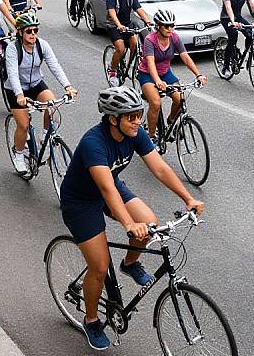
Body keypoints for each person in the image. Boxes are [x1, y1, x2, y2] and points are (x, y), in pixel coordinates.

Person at [60, 86, 204, 350]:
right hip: (80, 201)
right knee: (100, 267)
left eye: (139, 114)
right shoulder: (94, 142)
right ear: (113, 119)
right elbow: (106, 189)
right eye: (131, 116)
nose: (138, 120)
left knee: (149, 224)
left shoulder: (134, 133)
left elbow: (159, 168)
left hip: (110, 186)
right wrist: (128, 224)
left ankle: (129, 263)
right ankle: (91, 320)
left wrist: (188, 198)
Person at [4, 12, 77, 174]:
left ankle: (45, 136)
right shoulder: (12, 49)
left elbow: (55, 66)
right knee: (23, 126)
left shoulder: (42, 45)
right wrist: (19, 95)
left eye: (35, 30)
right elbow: (13, 74)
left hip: (36, 84)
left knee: (53, 109)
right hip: (16, 89)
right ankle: (19, 153)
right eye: (28, 31)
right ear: (20, 32)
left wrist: (68, 86)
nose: (33, 34)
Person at [137, 9, 207, 147]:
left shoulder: (174, 37)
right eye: (166, 26)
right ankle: (151, 137)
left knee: (180, 98)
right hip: (147, 75)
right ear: (158, 26)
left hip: (165, 73)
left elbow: (185, 57)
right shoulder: (150, 40)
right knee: (156, 103)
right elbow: (150, 63)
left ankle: (171, 121)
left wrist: (198, 74)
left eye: (172, 25)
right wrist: (157, 81)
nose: (170, 29)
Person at [105, 0, 152, 86]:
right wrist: (119, 25)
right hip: (115, 26)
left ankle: (131, 66)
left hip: (128, 25)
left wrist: (147, 20)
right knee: (120, 49)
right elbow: (112, 13)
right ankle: (112, 71)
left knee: (135, 45)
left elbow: (139, 10)